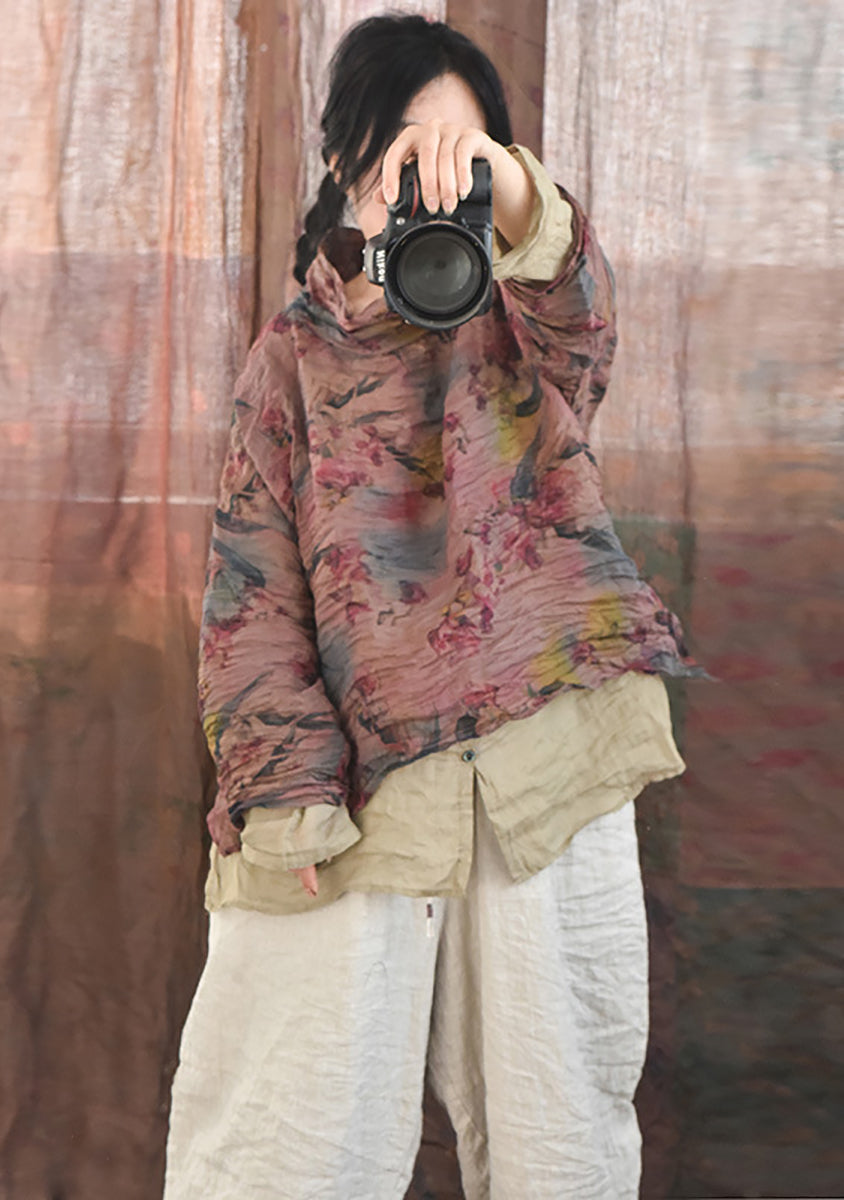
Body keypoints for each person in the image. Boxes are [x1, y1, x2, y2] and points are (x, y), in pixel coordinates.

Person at [163, 14, 713, 1200]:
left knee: (561, 1131)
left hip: (549, 760)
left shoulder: (526, 320)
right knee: (289, 1130)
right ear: (341, 166)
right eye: (398, 158)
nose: (421, 186)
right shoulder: (289, 358)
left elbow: (580, 303)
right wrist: (286, 793)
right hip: (360, 782)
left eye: (457, 159)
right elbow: (251, 596)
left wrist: (503, 193)